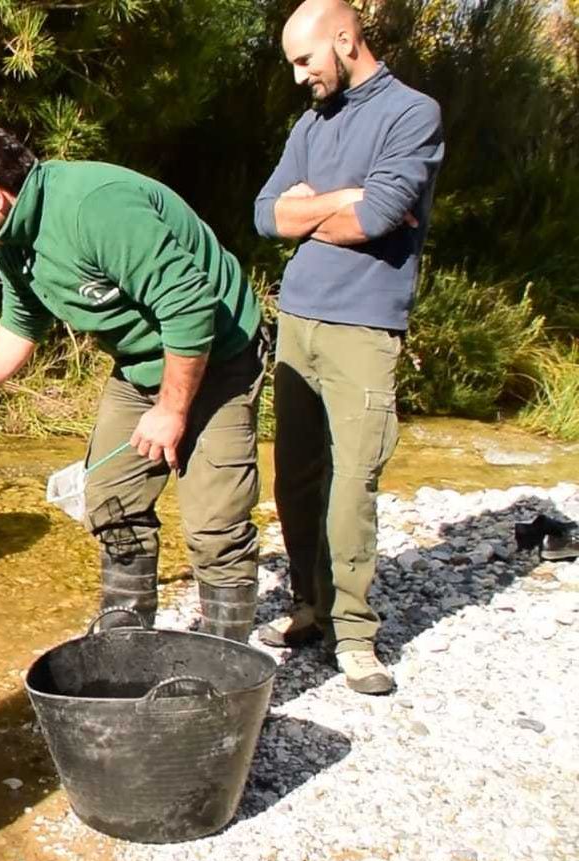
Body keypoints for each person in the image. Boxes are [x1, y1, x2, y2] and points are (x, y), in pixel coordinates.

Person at [0, 124, 266, 641]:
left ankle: (226, 661)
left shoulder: (94, 208)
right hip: (140, 365)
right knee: (110, 498)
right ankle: (125, 637)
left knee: (215, 528)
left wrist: (171, 412)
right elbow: (20, 324)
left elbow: (190, 306)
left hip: (218, 357)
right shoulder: (12, 238)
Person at [253, 0, 444, 694]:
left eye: (306, 60)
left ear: (344, 37)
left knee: (353, 480)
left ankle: (355, 634)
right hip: (298, 318)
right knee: (296, 478)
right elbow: (265, 214)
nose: (301, 76)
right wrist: (343, 203)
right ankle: (308, 606)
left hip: (365, 325)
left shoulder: (411, 113)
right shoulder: (310, 124)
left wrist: (319, 209)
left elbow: (377, 217)